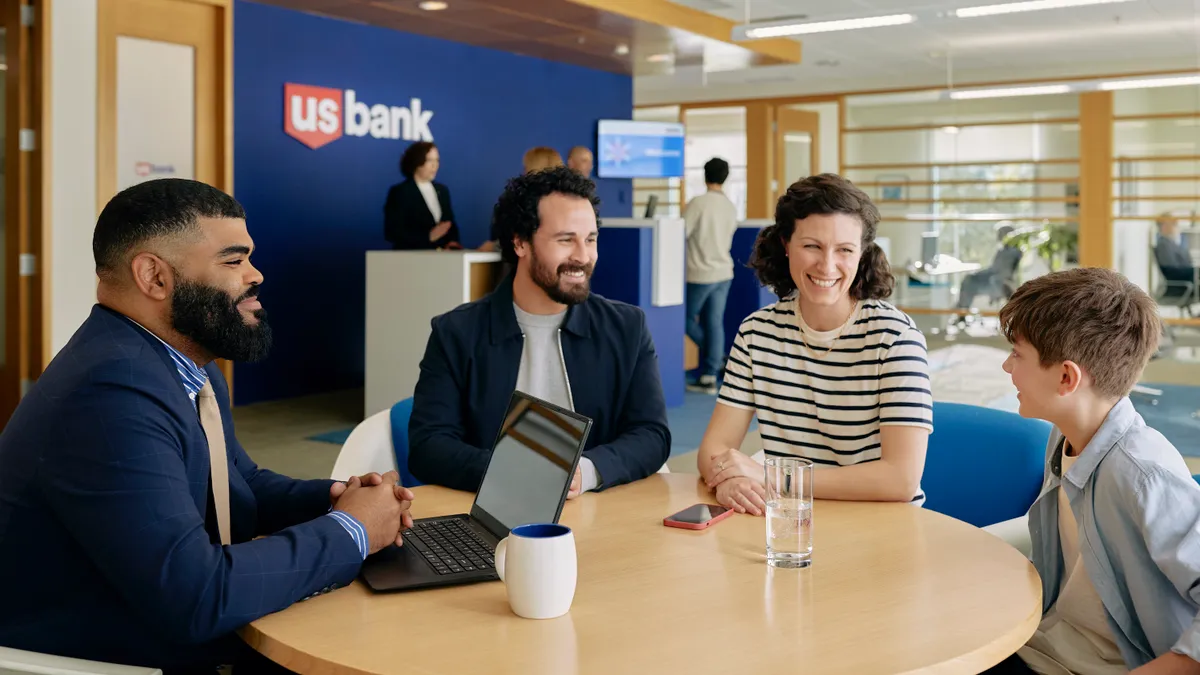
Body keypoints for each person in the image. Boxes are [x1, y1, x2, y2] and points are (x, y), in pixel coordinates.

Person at [0, 179, 415, 671]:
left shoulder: (182, 363)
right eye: (234, 261)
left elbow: (236, 483)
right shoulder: (109, 393)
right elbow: (194, 596)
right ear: (154, 277)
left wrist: (336, 496)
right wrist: (354, 530)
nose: (256, 275)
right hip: (116, 656)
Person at [984, 267, 1200, 675]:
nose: (1007, 368)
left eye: (1017, 353)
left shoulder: (1143, 473)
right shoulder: (1064, 435)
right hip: (1040, 644)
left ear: (1066, 377)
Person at [408, 166, 670, 495]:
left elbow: (651, 435)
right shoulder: (456, 333)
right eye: (565, 240)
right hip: (491, 517)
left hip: (599, 515)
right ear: (520, 242)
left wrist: (584, 472)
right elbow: (428, 447)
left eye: (590, 239)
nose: (583, 256)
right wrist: (514, 473)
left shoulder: (627, 328)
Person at [696, 174, 932, 514]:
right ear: (786, 244)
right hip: (788, 527)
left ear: (862, 254)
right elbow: (714, 450)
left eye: (844, 250)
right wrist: (730, 480)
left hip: (882, 533)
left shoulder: (895, 338)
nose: (827, 265)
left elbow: (900, 480)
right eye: (812, 246)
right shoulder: (757, 332)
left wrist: (772, 477)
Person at [683, 157, 739, 395]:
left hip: (700, 272)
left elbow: (681, 232)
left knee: (684, 318)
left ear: (705, 176)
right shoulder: (729, 205)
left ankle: (715, 361)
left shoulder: (698, 203)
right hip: (723, 272)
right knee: (714, 322)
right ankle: (710, 374)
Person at [383, 141, 461, 250]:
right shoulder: (400, 192)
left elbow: (450, 224)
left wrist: (452, 242)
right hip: (411, 259)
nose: (435, 165)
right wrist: (428, 237)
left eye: (437, 160)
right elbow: (392, 232)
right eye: (430, 160)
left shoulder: (442, 191)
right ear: (417, 162)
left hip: (442, 260)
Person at [955, 221, 1022, 316]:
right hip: (995, 280)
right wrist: (977, 274)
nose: (998, 237)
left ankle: (961, 311)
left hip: (998, 284)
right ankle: (961, 310)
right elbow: (993, 269)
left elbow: (1001, 272)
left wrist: (979, 275)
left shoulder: (1011, 252)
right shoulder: (1004, 250)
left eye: (1000, 234)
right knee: (969, 279)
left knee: (969, 282)